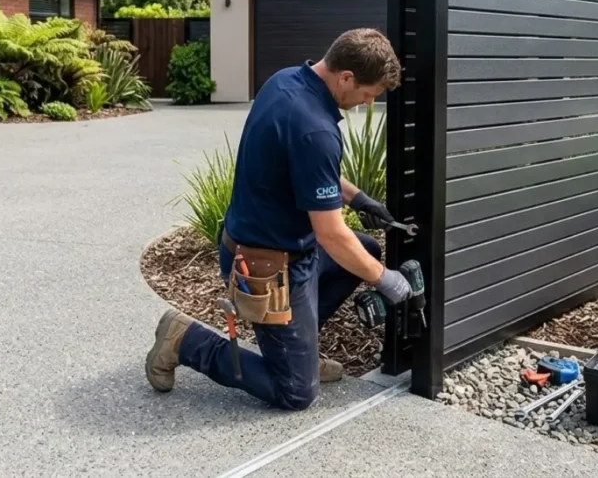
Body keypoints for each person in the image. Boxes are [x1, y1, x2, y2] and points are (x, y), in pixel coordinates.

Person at [144, 28, 410, 411]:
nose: (366, 103)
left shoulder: (286, 81)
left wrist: (359, 198)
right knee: (296, 393)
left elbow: (302, 166)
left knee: (364, 249)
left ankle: (297, 348)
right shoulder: (316, 129)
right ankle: (185, 340)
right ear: (346, 77)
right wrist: (387, 280)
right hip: (265, 268)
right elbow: (332, 234)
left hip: (254, 241)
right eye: (367, 95)